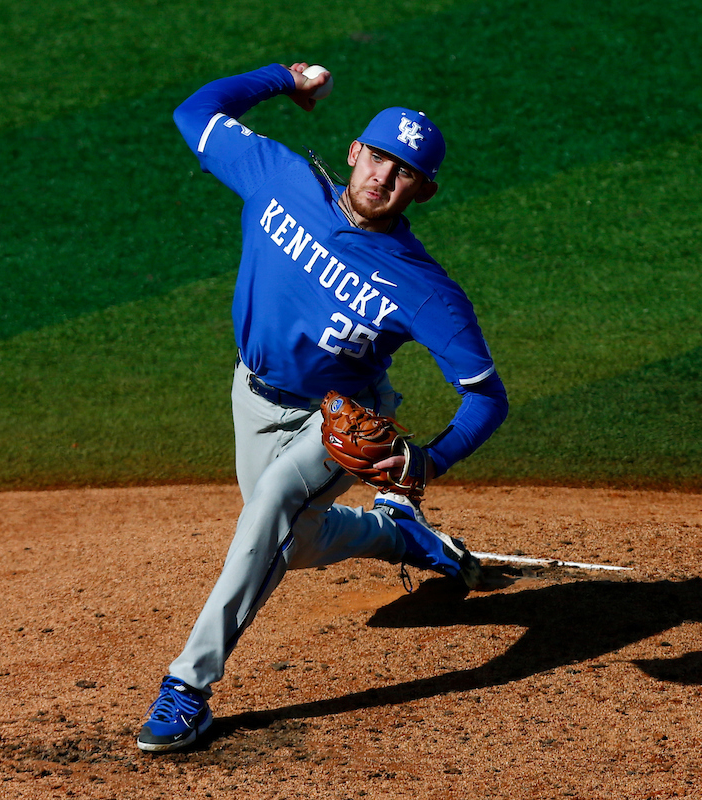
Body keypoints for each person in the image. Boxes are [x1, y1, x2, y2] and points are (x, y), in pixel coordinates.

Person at [136, 62, 509, 753]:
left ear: (423, 190)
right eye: (379, 158)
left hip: (340, 420)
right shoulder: (278, 178)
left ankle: (187, 686)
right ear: (354, 151)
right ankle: (400, 534)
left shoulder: (424, 288)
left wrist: (429, 460)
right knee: (294, 542)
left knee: (272, 507)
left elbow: (487, 396)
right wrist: (284, 78)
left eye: (405, 173)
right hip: (253, 394)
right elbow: (194, 113)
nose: (383, 178)